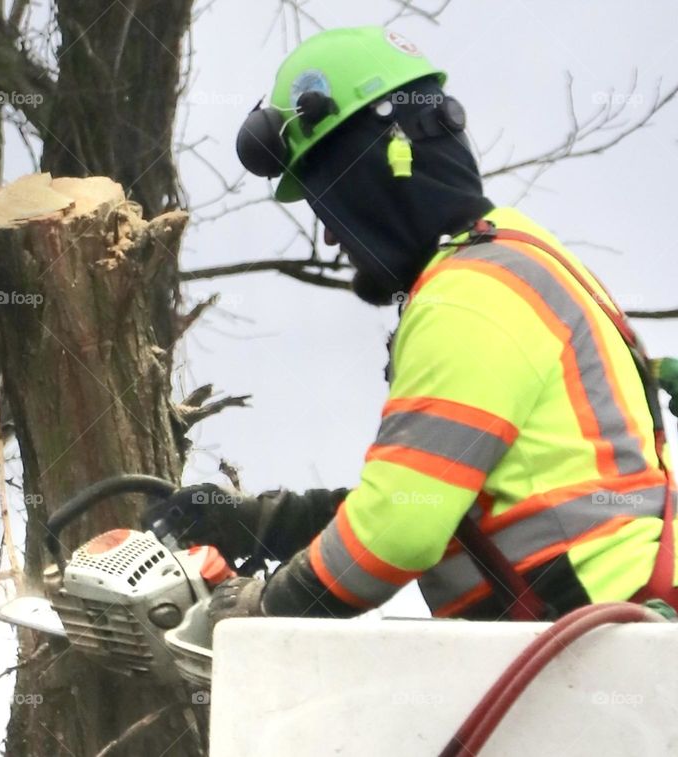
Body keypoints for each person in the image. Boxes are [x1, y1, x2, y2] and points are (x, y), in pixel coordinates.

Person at [152, 26, 677, 623]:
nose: (328, 234)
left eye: (327, 205)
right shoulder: (520, 255)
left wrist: (252, 616)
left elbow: (399, 531)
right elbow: (435, 501)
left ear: (373, 176)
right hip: (599, 639)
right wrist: (268, 524)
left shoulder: (469, 295)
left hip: (591, 649)